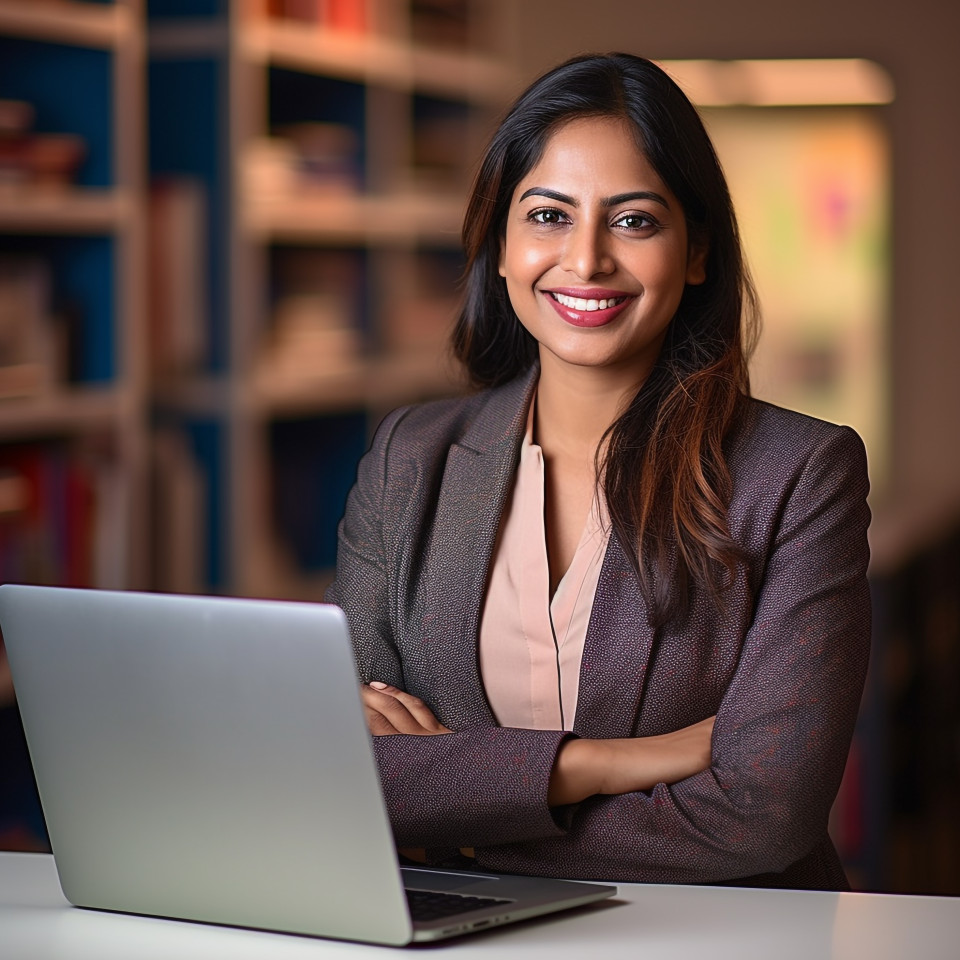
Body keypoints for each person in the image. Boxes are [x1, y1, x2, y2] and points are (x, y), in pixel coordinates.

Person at [325, 53, 871, 890]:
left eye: (634, 221)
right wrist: (614, 763)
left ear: (695, 253)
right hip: (463, 942)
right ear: (499, 245)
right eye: (547, 215)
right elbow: (338, 764)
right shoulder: (409, 460)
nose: (585, 261)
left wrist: (457, 822)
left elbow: (762, 815)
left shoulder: (799, 475)